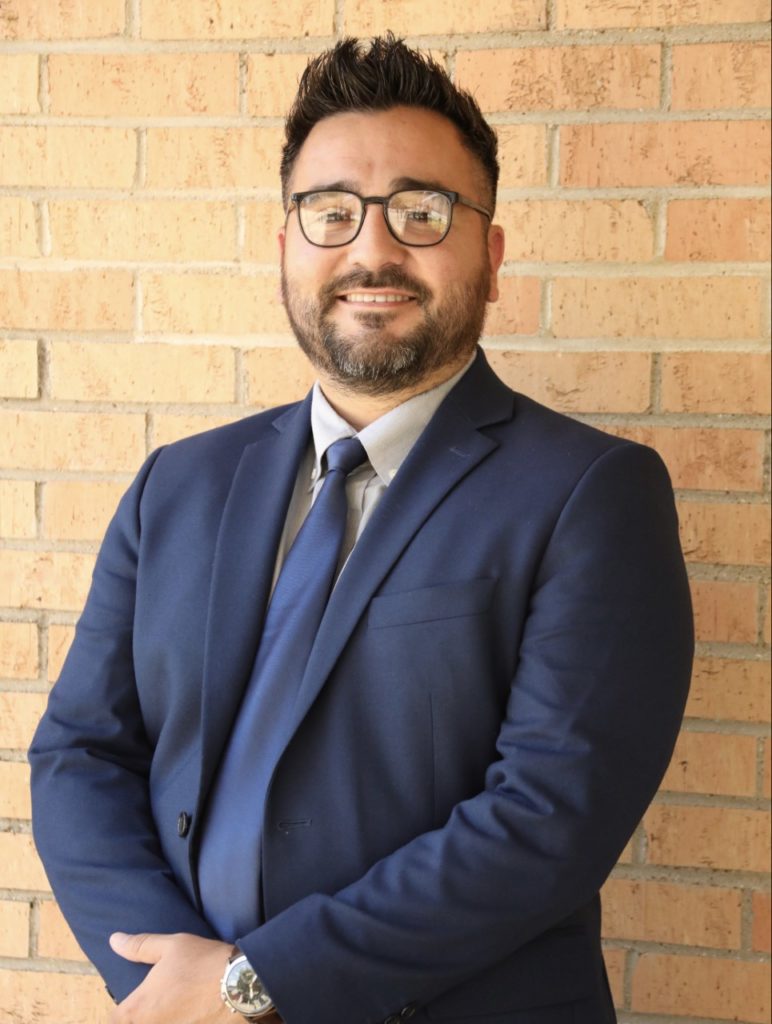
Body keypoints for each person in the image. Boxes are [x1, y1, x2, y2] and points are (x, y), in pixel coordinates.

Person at [29, 35, 694, 1024]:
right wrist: (166, 983)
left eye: (421, 212)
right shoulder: (179, 483)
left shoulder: (589, 492)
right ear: (286, 246)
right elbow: (80, 752)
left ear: (492, 254)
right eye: (330, 211)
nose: (372, 250)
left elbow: (543, 823)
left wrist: (255, 987)